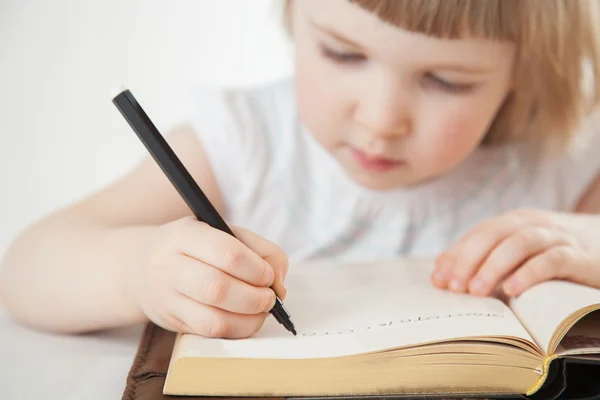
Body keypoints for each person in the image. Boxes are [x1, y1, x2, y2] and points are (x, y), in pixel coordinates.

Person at [1, 0, 600, 339]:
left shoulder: (557, 167)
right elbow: (27, 266)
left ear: (524, 73)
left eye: (446, 81)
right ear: (293, 17)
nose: (381, 118)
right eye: (343, 53)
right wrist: (136, 272)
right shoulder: (245, 144)